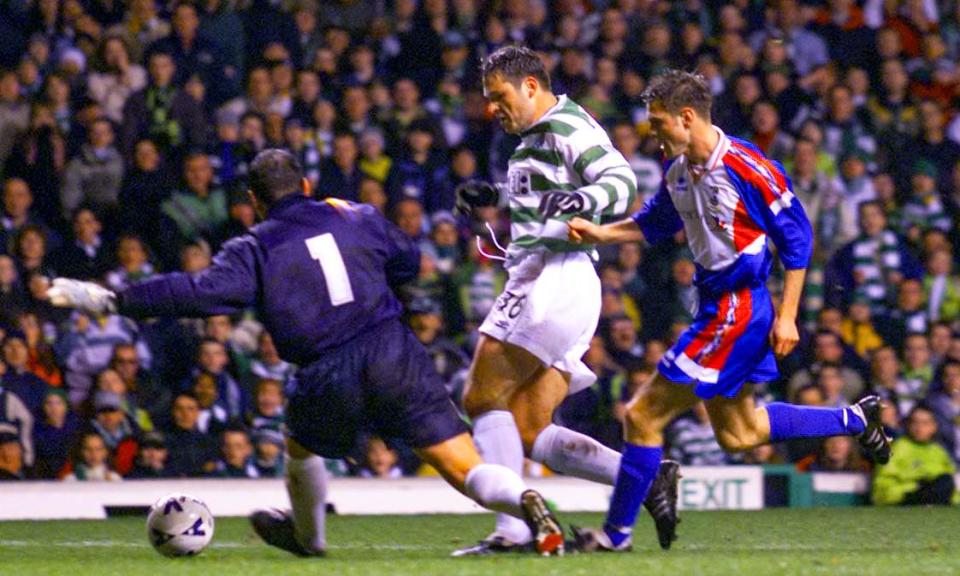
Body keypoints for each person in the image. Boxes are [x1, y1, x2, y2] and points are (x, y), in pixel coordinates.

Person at [46, 148, 566, 557]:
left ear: (253, 200)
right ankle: (523, 500)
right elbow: (409, 260)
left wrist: (116, 298)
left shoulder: (253, 247)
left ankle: (310, 539)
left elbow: (200, 293)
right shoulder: (355, 215)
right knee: (460, 463)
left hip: (325, 369)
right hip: (392, 349)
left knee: (299, 445)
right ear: (308, 187)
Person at [566, 70, 892, 552]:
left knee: (641, 415)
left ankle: (615, 536)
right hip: (716, 304)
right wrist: (601, 234)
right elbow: (655, 222)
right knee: (741, 433)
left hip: (738, 308)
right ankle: (856, 420)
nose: (651, 133)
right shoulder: (678, 171)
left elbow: (798, 239)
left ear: (688, 117)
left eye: (658, 123)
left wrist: (788, 315)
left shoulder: (746, 167)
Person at [452, 45, 678, 556]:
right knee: (530, 427)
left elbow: (620, 181)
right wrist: (491, 199)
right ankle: (643, 477)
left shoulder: (566, 127)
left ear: (531, 86)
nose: (493, 107)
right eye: (488, 98)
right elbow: (545, 197)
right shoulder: (538, 137)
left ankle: (512, 532)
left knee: (482, 398)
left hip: (549, 279)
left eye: (500, 96)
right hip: (567, 284)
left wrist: (580, 203)